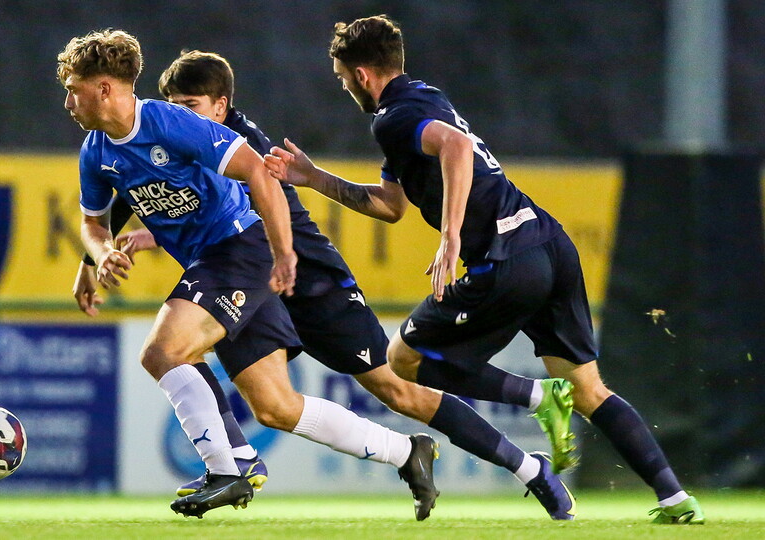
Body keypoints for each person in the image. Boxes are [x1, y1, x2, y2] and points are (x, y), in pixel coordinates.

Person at [75, 49, 577, 521]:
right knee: (271, 407)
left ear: (221, 106)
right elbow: (135, 182)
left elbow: (240, 197)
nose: (182, 113)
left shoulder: (237, 139)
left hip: (307, 277)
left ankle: (527, 465)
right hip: (251, 273)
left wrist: (298, 215)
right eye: (175, 106)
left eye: (191, 105)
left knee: (396, 388)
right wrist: (97, 256)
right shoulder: (161, 139)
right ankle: (390, 453)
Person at [264, 15, 704, 525]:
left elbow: (453, 147)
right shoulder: (424, 98)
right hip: (550, 242)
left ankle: (540, 395)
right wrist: (313, 177)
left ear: (362, 74)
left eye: (342, 77)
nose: (343, 87)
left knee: (402, 357)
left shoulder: (393, 117)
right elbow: (390, 205)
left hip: (505, 258)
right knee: (591, 391)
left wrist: (451, 234)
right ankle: (675, 498)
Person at [57, 29, 439, 520]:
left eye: (74, 88)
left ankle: (229, 467)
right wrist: (100, 252)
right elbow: (92, 221)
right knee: (275, 406)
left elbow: (258, 171)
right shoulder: (95, 151)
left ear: (105, 88)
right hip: (211, 262)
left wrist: (284, 253)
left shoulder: (171, 123)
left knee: (162, 351)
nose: (68, 100)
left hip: (240, 246)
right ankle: (407, 452)